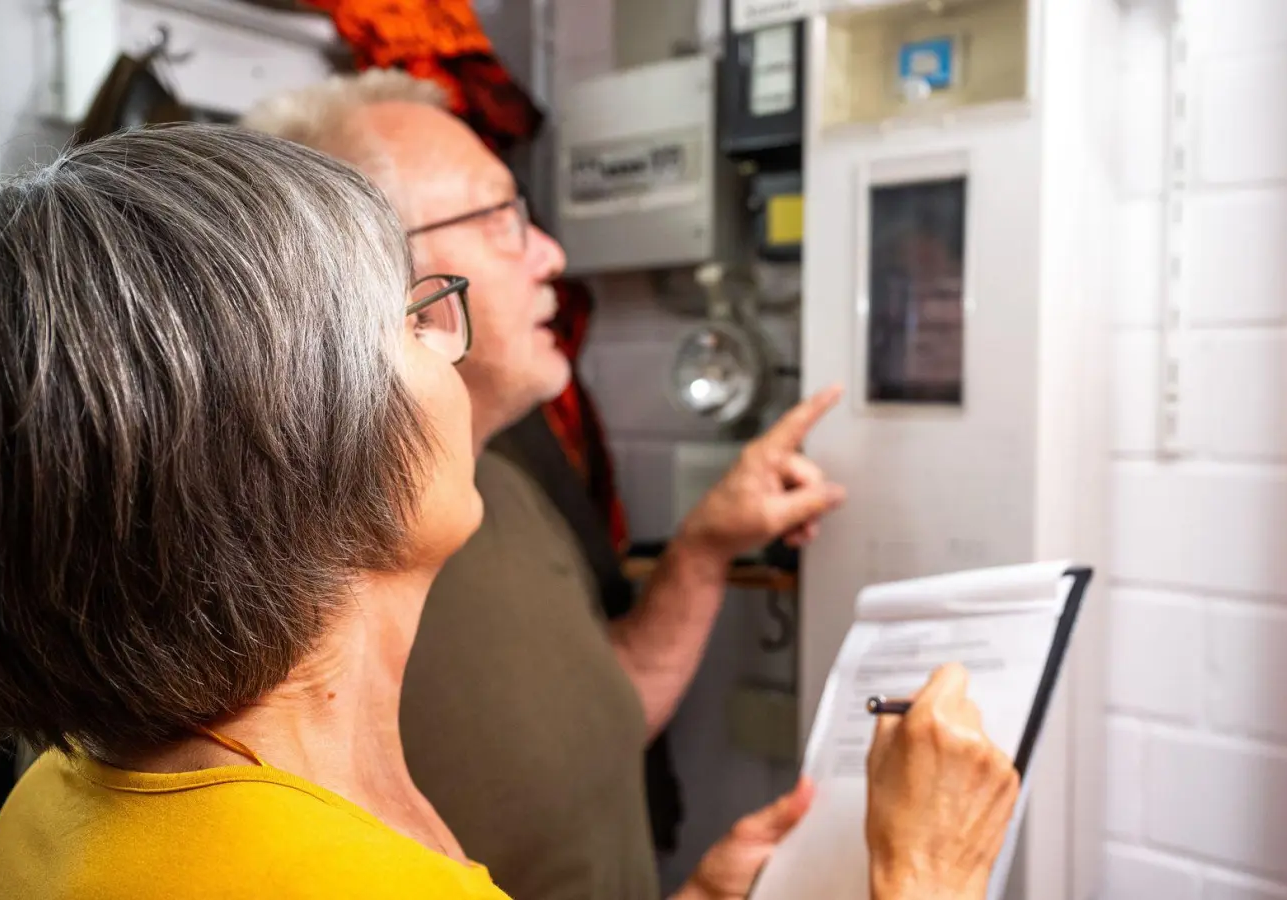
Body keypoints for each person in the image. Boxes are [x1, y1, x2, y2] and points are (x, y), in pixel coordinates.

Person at [0, 123, 1017, 900]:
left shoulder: (57, 801)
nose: (444, 354)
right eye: (409, 324)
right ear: (300, 447)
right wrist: (926, 877)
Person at [244, 71, 850, 900]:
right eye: (500, 219)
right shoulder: (272, 586)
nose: (551, 255)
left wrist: (706, 549)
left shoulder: (501, 481)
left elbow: (604, 716)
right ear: (368, 278)